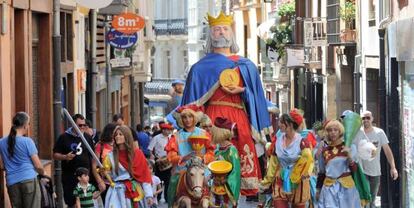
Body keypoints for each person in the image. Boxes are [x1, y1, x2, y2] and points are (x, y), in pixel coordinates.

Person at [180, 11, 272, 197]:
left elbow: (256, 98)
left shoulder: (246, 65)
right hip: (211, 121)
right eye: (216, 29)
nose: (221, 32)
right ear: (210, 35)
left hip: (239, 119)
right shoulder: (199, 69)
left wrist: (243, 91)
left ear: (231, 33)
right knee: (211, 166)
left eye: (225, 29)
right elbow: (190, 107)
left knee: (239, 166)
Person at [165, 105, 215, 207]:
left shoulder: (204, 133)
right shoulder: (176, 136)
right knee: (172, 185)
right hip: (182, 170)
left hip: (202, 169)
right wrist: (184, 158)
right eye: (184, 117)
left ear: (194, 118)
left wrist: (203, 158)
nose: (187, 120)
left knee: (214, 188)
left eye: (190, 117)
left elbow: (211, 151)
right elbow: (171, 156)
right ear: (181, 119)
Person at [260, 111, 313, 208]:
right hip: (281, 178)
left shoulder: (302, 142)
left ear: (290, 124)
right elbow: (273, 162)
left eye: (281, 121)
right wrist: (267, 181)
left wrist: (298, 172)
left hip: (298, 181)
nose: (278, 124)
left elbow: (309, 160)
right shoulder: (278, 141)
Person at [53, 114, 100, 207]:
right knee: (72, 203)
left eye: (84, 125)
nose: (82, 127)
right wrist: (65, 157)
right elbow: (55, 154)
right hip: (70, 177)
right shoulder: (64, 137)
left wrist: (96, 176)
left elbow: (92, 157)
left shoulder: (87, 137)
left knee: (85, 203)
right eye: (80, 125)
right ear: (73, 124)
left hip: (85, 177)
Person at [102, 125, 153, 208]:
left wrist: (149, 195)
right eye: (116, 135)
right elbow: (107, 176)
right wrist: (105, 173)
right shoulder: (110, 156)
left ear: (127, 136)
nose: (117, 136)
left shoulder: (138, 154)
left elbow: (145, 177)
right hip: (117, 193)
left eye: (120, 134)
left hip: (134, 190)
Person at [0, 112, 44, 208]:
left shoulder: (1, 142)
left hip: (12, 182)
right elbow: (38, 165)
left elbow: (2, 166)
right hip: (28, 180)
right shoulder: (27, 141)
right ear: (24, 126)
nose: (28, 126)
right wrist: (42, 174)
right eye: (28, 124)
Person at [318, 120, 361, 207]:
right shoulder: (324, 150)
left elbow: (354, 169)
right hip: (329, 188)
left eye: (335, 130)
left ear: (340, 131)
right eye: (330, 130)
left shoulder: (349, 147)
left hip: (346, 189)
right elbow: (322, 172)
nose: (333, 132)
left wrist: (349, 155)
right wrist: (318, 189)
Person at [360, 110, 398, 208]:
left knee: (372, 201)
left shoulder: (379, 132)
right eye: (363, 118)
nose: (366, 120)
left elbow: (387, 150)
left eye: (368, 118)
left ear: (372, 119)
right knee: (366, 201)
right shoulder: (358, 133)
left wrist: (393, 167)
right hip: (362, 171)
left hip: (376, 172)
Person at [210, 117, 241, 207]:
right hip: (215, 187)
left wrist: (226, 181)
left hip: (226, 188)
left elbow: (236, 171)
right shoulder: (217, 149)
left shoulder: (232, 150)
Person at [147, 123, 173, 203]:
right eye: (167, 130)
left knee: (168, 181)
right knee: (158, 180)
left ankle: (167, 198)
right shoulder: (156, 138)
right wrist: (152, 157)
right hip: (159, 162)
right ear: (163, 130)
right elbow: (150, 149)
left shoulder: (171, 138)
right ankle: (157, 198)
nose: (169, 131)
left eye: (169, 130)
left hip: (168, 161)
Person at [94, 123, 117, 202]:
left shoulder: (120, 145)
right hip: (106, 183)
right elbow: (94, 166)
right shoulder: (100, 146)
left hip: (119, 182)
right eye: (115, 132)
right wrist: (100, 182)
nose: (117, 134)